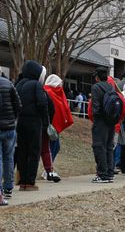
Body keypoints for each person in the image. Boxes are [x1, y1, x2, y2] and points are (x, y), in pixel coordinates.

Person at [16, 60, 48, 191]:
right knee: (34, 152)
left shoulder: (18, 84)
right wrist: (45, 121)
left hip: (19, 121)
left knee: (22, 151)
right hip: (34, 122)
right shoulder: (36, 85)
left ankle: (22, 181)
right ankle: (30, 181)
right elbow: (42, 103)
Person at [89, 67, 121, 183]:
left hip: (101, 122)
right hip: (111, 121)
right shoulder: (111, 87)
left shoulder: (96, 87)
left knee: (99, 146)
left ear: (97, 77)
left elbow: (95, 107)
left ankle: (102, 174)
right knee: (108, 147)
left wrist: (96, 118)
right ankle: (109, 173)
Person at [43, 74, 74, 179]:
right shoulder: (49, 92)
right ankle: (48, 170)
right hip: (50, 126)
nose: (60, 86)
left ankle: (47, 169)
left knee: (55, 147)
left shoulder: (56, 93)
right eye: (59, 84)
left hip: (54, 127)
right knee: (51, 147)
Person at [0, 71, 21, 205]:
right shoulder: (8, 83)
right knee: (8, 158)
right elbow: (18, 105)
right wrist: (13, 119)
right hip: (9, 127)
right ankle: (8, 187)